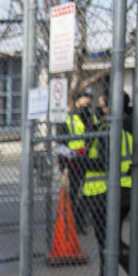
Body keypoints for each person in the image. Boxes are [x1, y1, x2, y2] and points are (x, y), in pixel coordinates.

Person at [80, 92, 133, 276]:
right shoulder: (129, 127)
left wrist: (79, 160)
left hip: (109, 192)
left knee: (109, 241)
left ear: (111, 108)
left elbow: (103, 162)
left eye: (102, 106)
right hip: (125, 189)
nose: (99, 110)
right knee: (109, 240)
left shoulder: (110, 130)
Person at [60, 89, 98, 234]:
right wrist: (64, 166)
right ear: (76, 103)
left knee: (87, 194)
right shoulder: (69, 119)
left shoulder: (92, 119)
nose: (86, 107)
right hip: (74, 162)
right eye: (83, 104)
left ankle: (81, 222)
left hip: (90, 161)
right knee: (75, 194)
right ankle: (73, 223)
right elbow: (60, 144)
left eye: (88, 104)